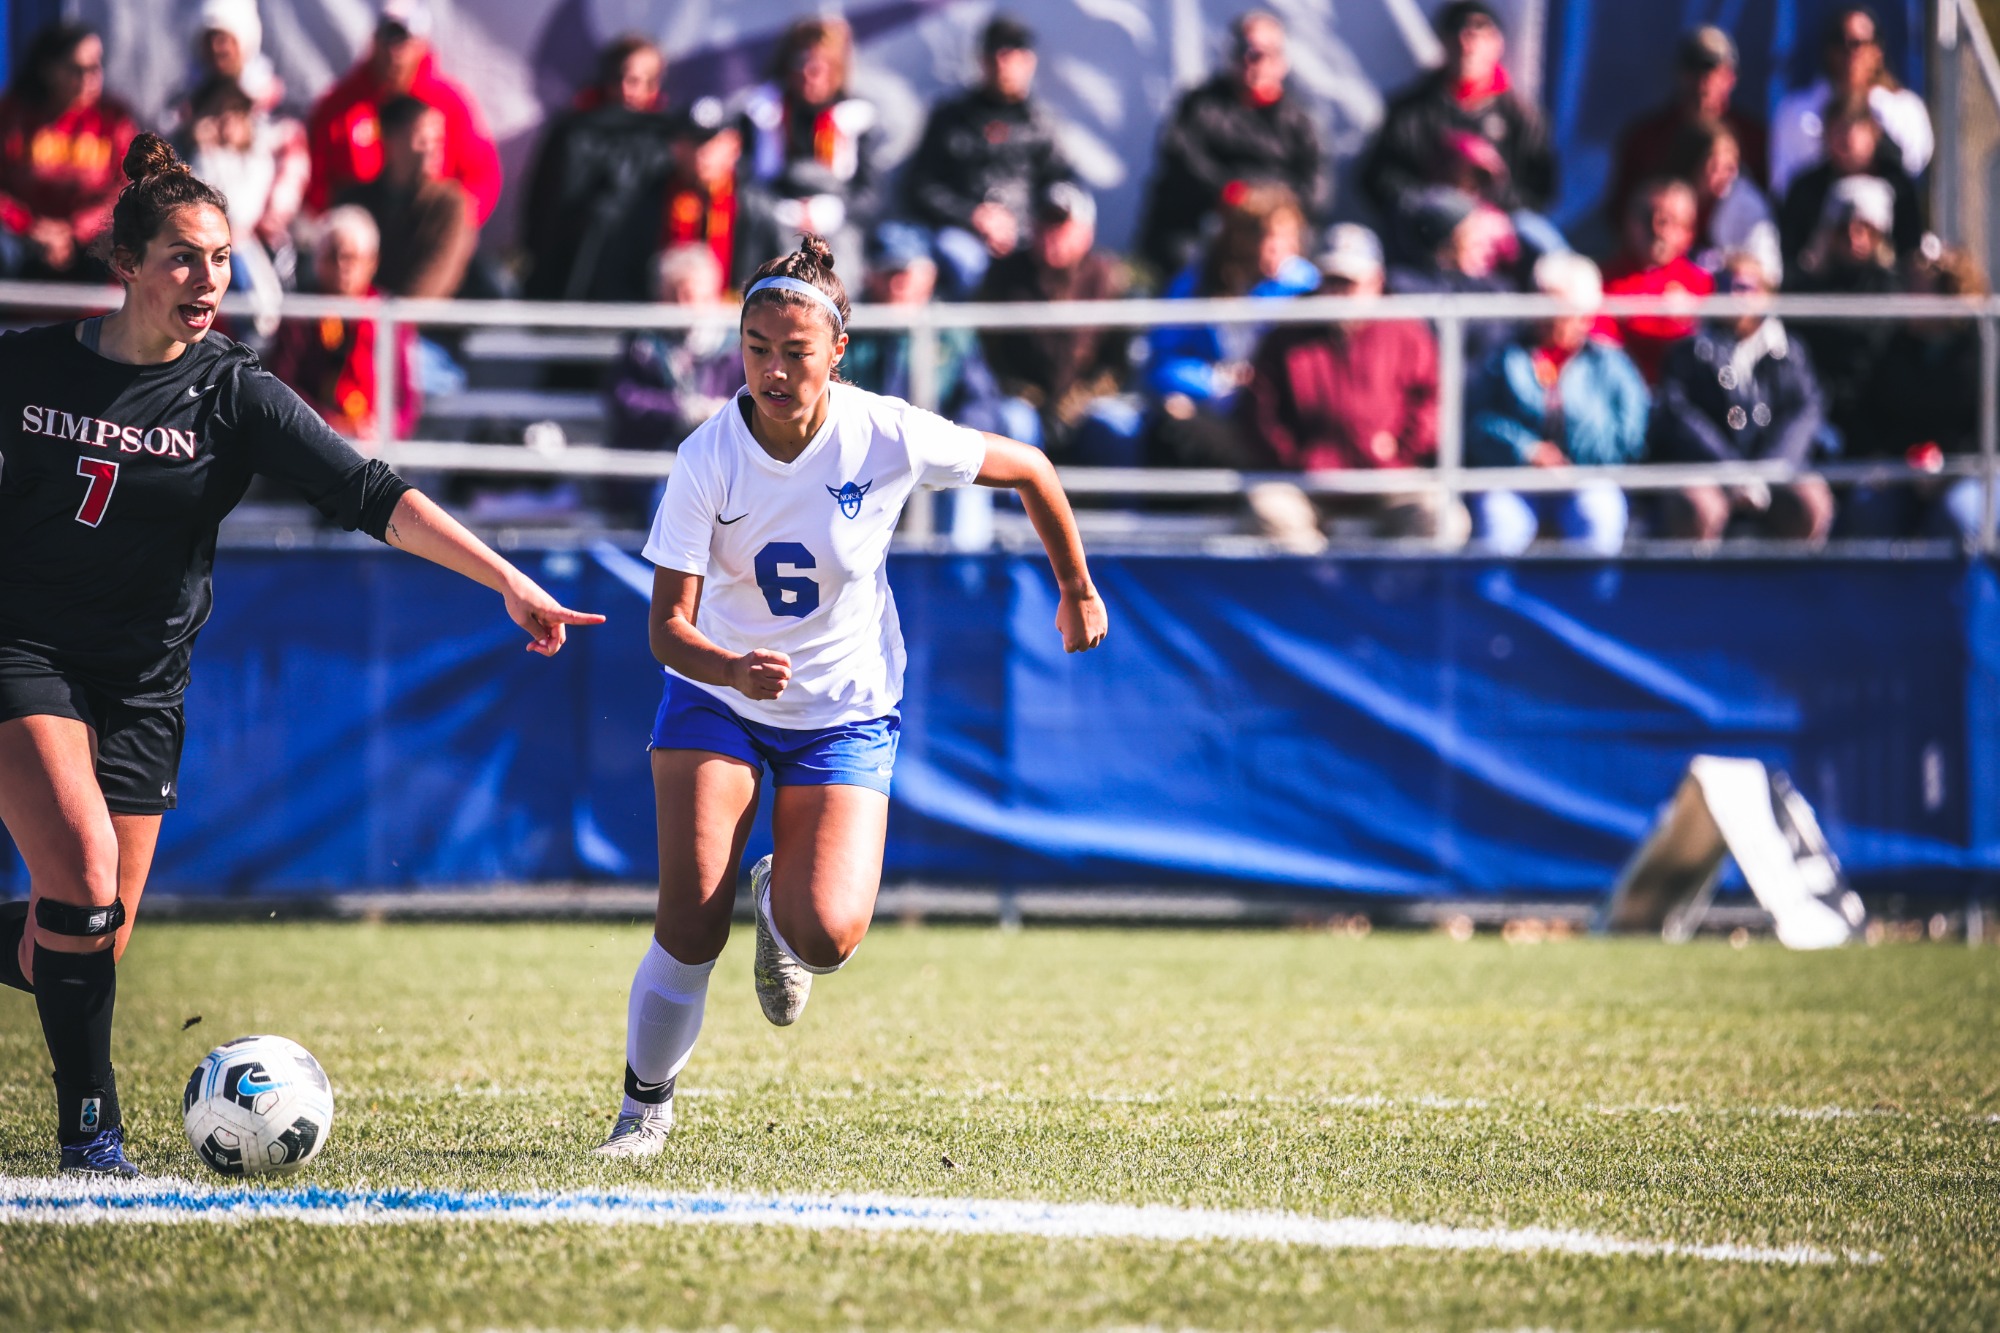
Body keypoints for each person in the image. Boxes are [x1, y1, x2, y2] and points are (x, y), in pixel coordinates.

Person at [0, 134, 602, 1178]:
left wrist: (507, 578)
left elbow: (373, 494)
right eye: (183, 258)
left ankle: (83, 1079)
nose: (208, 280)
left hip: (144, 681)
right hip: (24, 647)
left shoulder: (236, 394)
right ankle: (90, 1134)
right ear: (128, 264)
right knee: (84, 879)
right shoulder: (29, 365)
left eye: (221, 258)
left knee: (91, 931)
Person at [588, 233, 1106, 1158]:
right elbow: (666, 629)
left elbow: (1032, 467)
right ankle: (643, 1109)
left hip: (844, 710)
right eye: (756, 348)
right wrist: (731, 669)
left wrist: (1076, 586)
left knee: (827, 934)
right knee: (690, 918)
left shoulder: (885, 431)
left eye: (795, 351)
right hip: (718, 698)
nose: (773, 371)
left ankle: (778, 907)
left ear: (838, 351)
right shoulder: (708, 455)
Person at [1239, 224, 1463, 544]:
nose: (1338, 292)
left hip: (1389, 478)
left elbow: (1435, 400)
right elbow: (1261, 412)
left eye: (1349, 282)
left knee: (1442, 517)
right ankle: (1316, 576)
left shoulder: (1406, 331)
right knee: (1269, 509)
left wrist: (1400, 448)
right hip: (1306, 483)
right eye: (1331, 281)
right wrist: (1303, 459)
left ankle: (1390, 579)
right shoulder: (1287, 333)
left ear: (1376, 282)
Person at [1467, 253, 1649, 556]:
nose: (1546, 318)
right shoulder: (1505, 357)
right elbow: (1478, 422)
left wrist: (1571, 459)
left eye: (1558, 309)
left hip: (1589, 480)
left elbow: (1630, 438)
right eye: (1541, 306)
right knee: (1498, 522)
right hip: (1515, 480)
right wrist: (1527, 450)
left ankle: (1594, 590)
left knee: (1599, 517)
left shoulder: (1612, 365)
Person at [1650, 253, 1833, 544]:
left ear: (1767, 296)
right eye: (1724, 286)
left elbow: (1804, 414)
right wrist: (1732, 474)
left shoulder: (1791, 353)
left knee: (1809, 502)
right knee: (1695, 507)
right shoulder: (1689, 352)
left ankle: (1797, 574)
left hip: (1775, 472)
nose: (1733, 295)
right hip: (1711, 472)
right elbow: (1681, 416)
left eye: (1745, 287)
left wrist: (1766, 475)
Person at [1135, 11, 1328, 281]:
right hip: (1207, 220)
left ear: (1281, 61)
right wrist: (1229, 193)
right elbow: (1181, 159)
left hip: (1277, 227)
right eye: (1243, 50)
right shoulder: (1200, 106)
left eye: (1262, 53)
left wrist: (1271, 206)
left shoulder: (1299, 120)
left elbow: (1316, 186)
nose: (1251, 61)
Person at [1361, 2, 1558, 261]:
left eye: (1479, 32)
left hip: (1499, 237)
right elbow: (1378, 178)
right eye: (1458, 32)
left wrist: (1488, 205)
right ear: (1442, 41)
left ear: (1497, 43)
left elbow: (1540, 190)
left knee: (1538, 237)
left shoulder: (1521, 118)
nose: (1467, 44)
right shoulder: (1410, 112)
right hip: (1426, 236)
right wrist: (1434, 202)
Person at [1146, 182, 1319, 469]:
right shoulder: (1199, 282)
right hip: (1216, 409)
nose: (1278, 248)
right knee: (1174, 414)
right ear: (1239, 238)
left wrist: (1264, 383)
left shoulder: (1309, 288)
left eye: (1288, 237)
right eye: (1266, 236)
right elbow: (1162, 364)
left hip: (1280, 417)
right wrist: (1216, 382)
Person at [903, 15, 1075, 299]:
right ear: (981, 60)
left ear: (1029, 62)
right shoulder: (950, 118)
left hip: (1027, 239)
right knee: (960, 258)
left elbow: (1062, 186)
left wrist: (1025, 224)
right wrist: (972, 216)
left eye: (1012, 55)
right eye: (995, 54)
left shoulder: (1042, 125)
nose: (1003, 64)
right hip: (960, 235)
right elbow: (919, 188)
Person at [977, 182, 1141, 466]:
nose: (1051, 234)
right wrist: (1029, 396)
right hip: (1024, 403)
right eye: (1044, 223)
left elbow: (1118, 364)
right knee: (1014, 421)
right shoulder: (1004, 276)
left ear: (1086, 232)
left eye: (1061, 225)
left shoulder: (1108, 278)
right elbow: (985, 355)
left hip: (1086, 403)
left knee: (1118, 423)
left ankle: (1123, 498)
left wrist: (1079, 400)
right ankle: (1021, 496)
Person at [304, 0, 503, 225]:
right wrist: (336, 228)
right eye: (388, 37)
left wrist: (452, 222)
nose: (394, 51)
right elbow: (315, 180)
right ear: (374, 40)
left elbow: (482, 173)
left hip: (426, 228)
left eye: (403, 40)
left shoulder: (448, 104)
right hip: (357, 232)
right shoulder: (340, 106)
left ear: (421, 44)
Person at [1845, 245, 1989, 542]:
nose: (1908, 297)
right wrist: (1897, 458)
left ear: (1950, 295)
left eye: (1920, 289)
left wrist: (1949, 467)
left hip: (1971, 471)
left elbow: (1987, 431)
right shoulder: (1894, 346)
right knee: (1868, 510)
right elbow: (1867, 412)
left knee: (1958, 518)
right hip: (1902, 471)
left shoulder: (1985, 350)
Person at [521, 35, 676, 303]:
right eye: (619, 78)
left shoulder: (666, 140)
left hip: (636, 276)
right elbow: (541, 204)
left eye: (637, 80)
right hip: (566, 273)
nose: (626, 89)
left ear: (654, 85)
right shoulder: (573, 133)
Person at [735, 16, 885, 280]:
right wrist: (781, 211)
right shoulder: (761, 114)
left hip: (836, 230)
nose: (810, 73)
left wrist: (832, 212)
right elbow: (743, 184)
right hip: (772, 223)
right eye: (801, 62)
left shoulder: (856, 118)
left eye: (822, 65)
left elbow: (870, 196)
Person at [265, 205, 420, 439]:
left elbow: (405, 400)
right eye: (332, 256)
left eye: (351, 258)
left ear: (372, 262)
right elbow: (283, 385)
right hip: (312, 437)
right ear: (318, 260)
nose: (341, 266)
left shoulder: (389, 317)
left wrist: (379, 429)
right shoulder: (299, 314)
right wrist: (331, 424)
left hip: (373, 441)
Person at [0, 22, 139, 282]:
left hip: (91, 241)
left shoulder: (114, 119)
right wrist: (29, 226)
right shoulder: (12, 115)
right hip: (19, 240)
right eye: (77, 69)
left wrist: (75, 230)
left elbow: (126, 187)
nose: (90, 78)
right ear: (48, 70)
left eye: (96, 67)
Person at [1605, 26, 1769, 232]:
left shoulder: (1753, 139)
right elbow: (1622, 214)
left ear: (1731, 77)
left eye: (1712, 68)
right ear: (1680, 73)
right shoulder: (1644, 138)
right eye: (1693, 67)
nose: (1703, 80)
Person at [1787, 174, 1903, 442]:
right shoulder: (1806, 286)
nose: (1853, 237)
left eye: (1865, 228)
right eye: (1842, 228)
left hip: (1876, 411)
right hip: (1817, 412)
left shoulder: (1891, 286)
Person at [1770, 5, 1932, 197]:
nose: (1850, 54)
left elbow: (1912, 169)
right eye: (1840, 43)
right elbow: (1783, 183)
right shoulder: (1796, 111)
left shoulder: (1906, 109)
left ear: (1877, 51)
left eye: (1858, 44)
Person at [606, 244, 745, 454]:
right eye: (672, 295)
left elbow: (754, 402)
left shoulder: (737, 347)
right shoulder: (643, 345)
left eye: (690, 296)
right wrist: (680, 411)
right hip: (654, 456)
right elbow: (625, 398)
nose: (682, 306)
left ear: (713, 296)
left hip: (719, 456)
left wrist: (725, 412)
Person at [335, 95, 476, 300]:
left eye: (437, 139)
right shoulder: (354, 200)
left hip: (418, 318)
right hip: (359, 315)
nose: (431, 148)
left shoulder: (448, 204)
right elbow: (331, 273)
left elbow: (437, 275)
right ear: (390, 138)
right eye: (422, 138)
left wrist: (394, 315)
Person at [184, 76, 307, 301]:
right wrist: (205, 151)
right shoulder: (193, 156)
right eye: (218, 113)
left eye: (236, 113)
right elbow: (198, 201)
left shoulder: (258, 160)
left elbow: (239, 212)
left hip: (246, 251)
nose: (227, 122)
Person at [1385, 185, 1521, 369]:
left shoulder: (1495, 288)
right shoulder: (1404, 286)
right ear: (1447, 242)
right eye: (1470, 233)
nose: (1481, 242)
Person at [1777, 98, 1924, 269]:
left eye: (1854, 130)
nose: (1846, 139)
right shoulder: (1806, 189)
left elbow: (1910, 250)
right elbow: (1791, 253)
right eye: (1838, 131)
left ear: (1874, 133)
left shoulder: (1899, 186)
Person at [1598, 177, 1713, 385]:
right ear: (1628, 221)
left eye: (1670, 221)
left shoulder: (1703, 284)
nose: (1657, 230)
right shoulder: (1602, 280)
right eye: (1647, 217)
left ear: (1689, 232)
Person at [658, 98, 775, 294]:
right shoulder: (651, 200)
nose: (702, 153)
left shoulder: (756, 207)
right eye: (694, 143)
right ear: (676, 147)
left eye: (712, 142)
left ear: (735, 145)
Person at [1665, 118, 1782, 282]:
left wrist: (1733, 266)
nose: (1729, 172)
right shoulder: (1662, 201)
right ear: (1692, 163)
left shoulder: (1746, 204)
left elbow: (1770, 276)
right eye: (1716, 164)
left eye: (1732, 162)